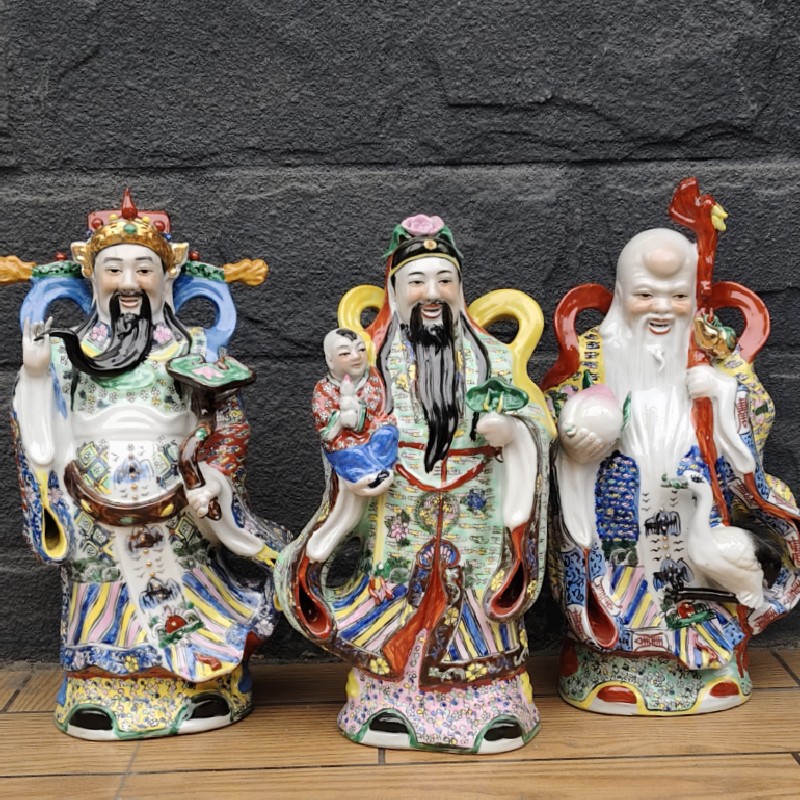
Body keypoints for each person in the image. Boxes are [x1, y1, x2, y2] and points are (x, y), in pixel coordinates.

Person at [12, 191, 288, 739]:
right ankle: (98, 685)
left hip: (176, 500)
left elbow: (229, 423)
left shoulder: (194, 350)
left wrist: (213, 479)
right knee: (103, 586)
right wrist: (36, 375)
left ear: (166, 277)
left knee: (185, 578)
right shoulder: (66, 351)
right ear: (92, 278)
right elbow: (37, 426)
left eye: (144, 269)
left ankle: (202, 683)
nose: (129, 283)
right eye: (113, 269)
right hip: (95, 501)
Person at [276, 215, 551, 753]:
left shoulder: (493, 356)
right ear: (394, 290)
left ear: (460, 289)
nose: (431, 294)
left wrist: (514, 433)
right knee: (396, 590)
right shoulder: (371, 362)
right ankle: (386, 693)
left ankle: (490, 695)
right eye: (417, 281)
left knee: (474, 591)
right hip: (397, 501)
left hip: (477, 503)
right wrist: (354, 472)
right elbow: (340, 428)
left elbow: (538, 421)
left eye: (444, 280)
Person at [546, 226, 800, 714]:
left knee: (701, 571)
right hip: (616, 514)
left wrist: (723, 392)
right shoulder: (593, 354)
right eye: (645, 294)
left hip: (691, 514)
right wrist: (574, 444)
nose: (662, 309)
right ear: (622, 293)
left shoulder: (712, 352)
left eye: (679, 296)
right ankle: (611, 661)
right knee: (619, 577)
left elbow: (758, 414)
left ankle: (709, 659)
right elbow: (557, 410)